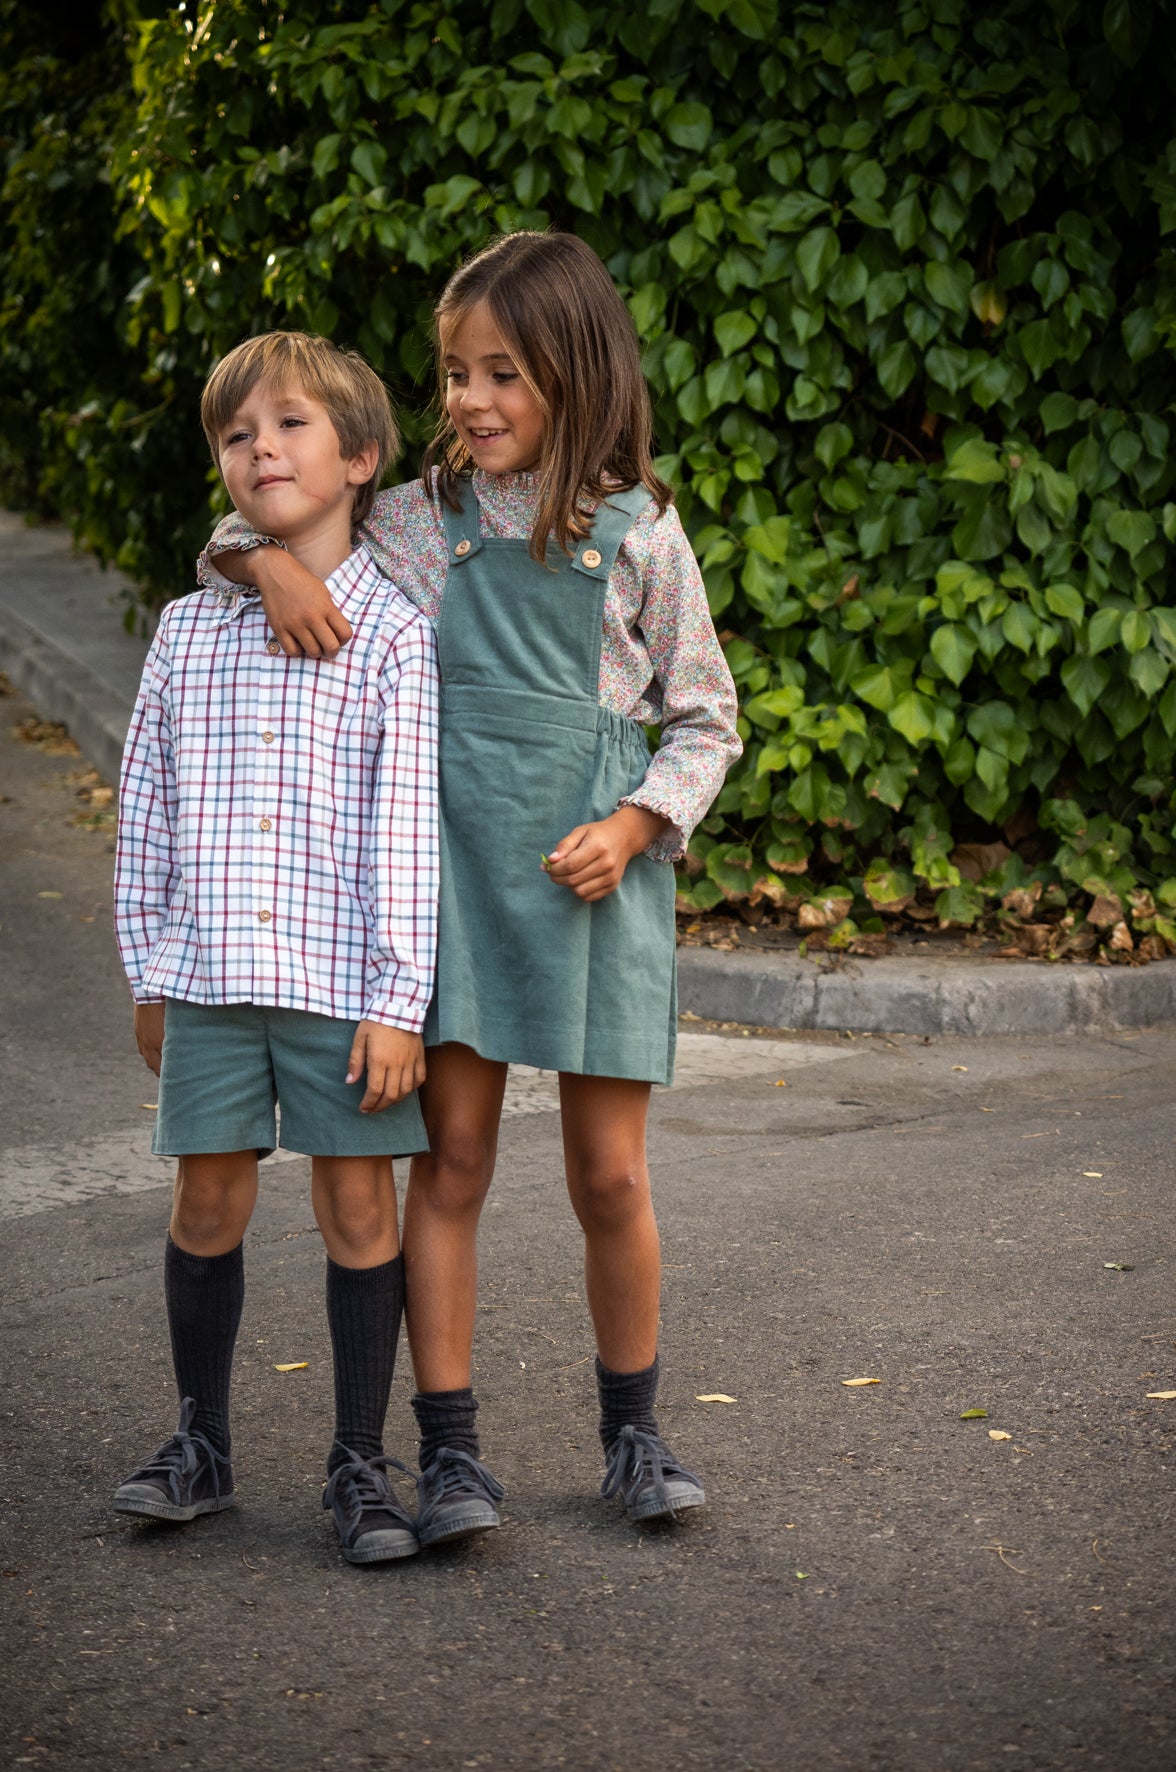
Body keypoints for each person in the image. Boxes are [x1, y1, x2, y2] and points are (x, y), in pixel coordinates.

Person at [200, 231, 742, 1538]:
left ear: (577, 369)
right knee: (449, 1162)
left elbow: (706, 718)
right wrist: (263, 561)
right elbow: (257, 517)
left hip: (598, 890)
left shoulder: (639, 532)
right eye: (455, 372)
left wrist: (635, 823)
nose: (472, 399)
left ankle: (634, 1435)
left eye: (503, 372)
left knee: (610, 1177)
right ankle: (449, 1452)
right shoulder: (411, 519)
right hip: (449, 891)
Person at [113, 332, 440, 1566]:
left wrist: (399, 999)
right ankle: (199, 1441)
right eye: (237, 434)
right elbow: (146, 808)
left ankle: (360, 1459)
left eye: (291, 424)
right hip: (206, 977)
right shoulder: (185, 630)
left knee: (358, 1203)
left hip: (339, 984)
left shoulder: (395, 635)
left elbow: (405, 832)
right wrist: (149, 968)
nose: (261, 448)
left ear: (360, 458)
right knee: (206, 1198)